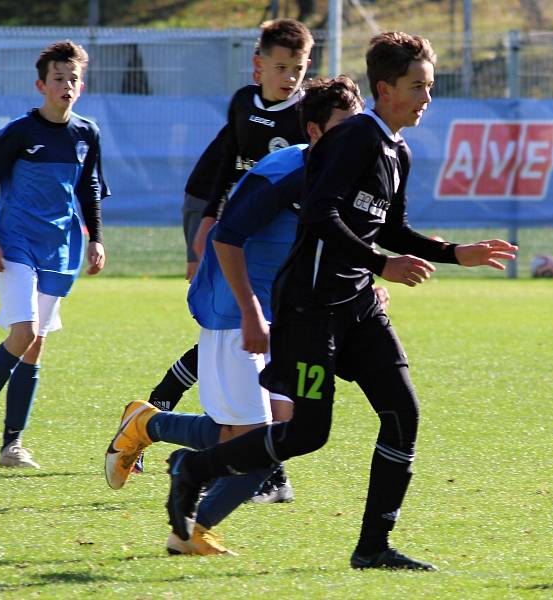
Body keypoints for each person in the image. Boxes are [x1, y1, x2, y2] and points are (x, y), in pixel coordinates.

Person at [163, 32, 518, 571]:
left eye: (430, 85)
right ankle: (196, 469)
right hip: (309, 309)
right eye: (417, 86)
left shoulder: (397, 149)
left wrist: (453, 252)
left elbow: (391, 228)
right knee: (307, 434)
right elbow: (319, 216)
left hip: (357, 305)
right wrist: (380, 265)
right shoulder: (355, 138)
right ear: (386, 89)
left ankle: (373, 547)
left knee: (404, 413)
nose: (427, 97)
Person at [105, 76, 366, 556]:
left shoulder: (340, 176)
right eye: (344, 129)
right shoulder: (283, 172)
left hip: (282, 317)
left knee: (263, 437)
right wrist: (250, 313)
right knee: (261, 441)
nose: (356, 140)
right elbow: (226, 239)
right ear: (313, 131)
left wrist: (370, 284)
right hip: (236, 312)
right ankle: (190, 519)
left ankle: (149, 428)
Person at [139, 19, 315, 500]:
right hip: (236, 241)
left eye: (297, 68)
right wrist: (209, 219)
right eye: (281, 67)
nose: (289, 77)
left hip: (274, 244)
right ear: (259, 66)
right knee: (239, 337)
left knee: (258, 344)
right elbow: (226, 162)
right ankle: (240, 460)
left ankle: (170, 423)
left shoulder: (307, 116)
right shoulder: (243, 103)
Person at [0, 40, 108, 469]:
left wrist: (95, 238)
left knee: (36, 344)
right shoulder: (20, 133)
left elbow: (89, 188)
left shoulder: (86, 133)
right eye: (59, 78)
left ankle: (11, 445)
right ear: (41, 84)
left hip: (59, 248)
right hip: (16, 243)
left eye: (74, 78)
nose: (67, 85)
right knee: (24, 332)